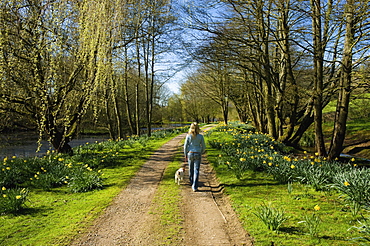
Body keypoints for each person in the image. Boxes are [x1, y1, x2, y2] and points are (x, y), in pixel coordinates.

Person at [184, 122, 206, 192]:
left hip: (190, 153)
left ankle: (191, 181)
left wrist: (185, 154)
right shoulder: (200, 136)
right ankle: (195, 186)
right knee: (196, 170)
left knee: (191, 169)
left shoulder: (188, 136)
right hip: (197, 153)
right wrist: (201, 152)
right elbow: (204, 146)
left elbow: (185, 146)